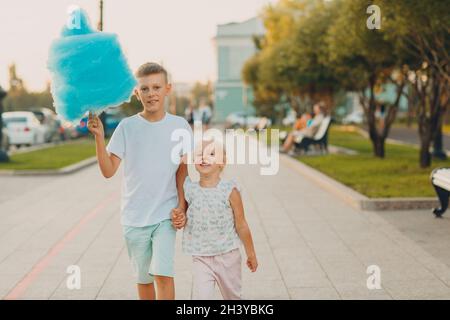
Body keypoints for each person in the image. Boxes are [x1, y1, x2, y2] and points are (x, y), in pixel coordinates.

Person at [87, 62, 193, 300]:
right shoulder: (127, 127)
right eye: (144, 89)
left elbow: (182, 172)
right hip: (134, 217)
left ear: (167, 89)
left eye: (156, 87)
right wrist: (99, 138)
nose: (151, 93)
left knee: (163, 274)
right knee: (144, 280)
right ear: (136, 92)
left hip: (165, 215)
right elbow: (108, 171)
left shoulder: (180, 127)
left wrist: (181, 205)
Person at [173, 139, 258, 300]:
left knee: (233, 298)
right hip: (201, 257)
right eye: (200, 154)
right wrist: (179, 217)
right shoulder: (189, 189)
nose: (204, 158)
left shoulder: (229, 190)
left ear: (222, 162)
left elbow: (241, 224)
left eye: (211, 154)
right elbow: (180, 178)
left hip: (228, 256)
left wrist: (251, 253)